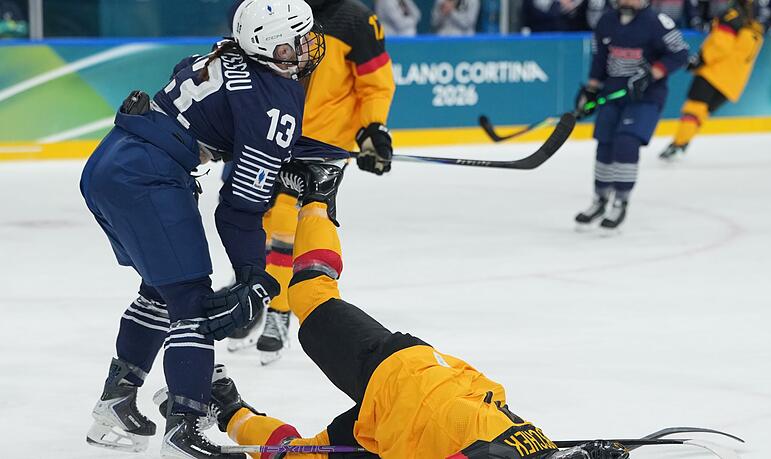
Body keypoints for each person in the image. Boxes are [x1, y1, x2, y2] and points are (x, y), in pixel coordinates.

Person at [172, 160, 630, 459]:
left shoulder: (532, 445)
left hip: (392, 426)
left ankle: (227, 407)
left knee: (296, 455)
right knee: (312, 297)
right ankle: (318, 197)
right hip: (400, 378)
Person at [79, 1, 326, 457]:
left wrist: (289, 153)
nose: (308, 48)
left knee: (161, 290)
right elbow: (238, 209)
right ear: (268, 44)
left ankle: (116, 403)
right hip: (148, 178)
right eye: (295, 42)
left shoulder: (222, 53)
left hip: (111, 164)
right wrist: (254, 272)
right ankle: (184, 427)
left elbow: (238, 124)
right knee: (193, 303)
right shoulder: (274, 95)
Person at [224, 0, 397, 366]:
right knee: (260, 218)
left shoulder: (355, 20)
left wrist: (372, 130)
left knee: (289, 222)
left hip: (321, 146)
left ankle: (279, 309)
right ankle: (257, 291)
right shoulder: (272, 9)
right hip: (272, 133)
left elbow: (376, 84)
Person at [573, 0, 689, 232]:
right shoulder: (606, 21)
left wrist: (652, 74)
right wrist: (591, 90)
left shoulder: (657, 22)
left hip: (645, 98)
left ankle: (620, 200)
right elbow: (600, 60)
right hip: (612, 94)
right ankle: (599, 200)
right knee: (605, 144)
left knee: (626, 142)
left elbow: (680, 53)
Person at [660, 0, 764, 160]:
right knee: (702, 113)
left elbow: (721, 44)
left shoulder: (732, 14)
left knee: (693, 109)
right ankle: (683, 142)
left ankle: (679, 144)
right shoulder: (755, 20)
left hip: (714, 73)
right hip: (734, 82)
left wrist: (701, 59)